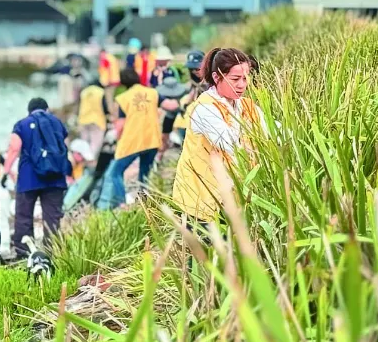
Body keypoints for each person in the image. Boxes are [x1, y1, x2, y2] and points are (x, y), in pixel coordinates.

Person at [172, 48, 265, 225]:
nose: (242, 85)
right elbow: (231, 145)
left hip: (230, 199)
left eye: (245, 78)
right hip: (201, 201)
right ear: (216, 78)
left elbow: (273, 133)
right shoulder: (204, 109)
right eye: (235, 79)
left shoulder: (246, 105)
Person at [4, 98, 71, 257]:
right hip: (55, 177)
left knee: (24, 216)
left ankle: (24, 252)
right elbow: (63, 146)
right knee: (52, 217)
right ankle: (52, 251)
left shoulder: (22, 124)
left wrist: (6, 170)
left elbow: (14, 148)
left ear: (29, 111)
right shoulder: (57, 123)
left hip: (29, 177)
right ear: (46, 109)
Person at [97, 68, 161, 210]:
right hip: (152, 140)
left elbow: (120, 126)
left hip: (133, 141)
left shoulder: (123, 98)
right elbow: (166, 107)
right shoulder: (153, 93)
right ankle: (145, 203)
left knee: (115, 173)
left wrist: (117, 141)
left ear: (123, 82)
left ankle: (122, 203)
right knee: (144, 174)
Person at [76, 79, 108, 157]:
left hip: (83, 119)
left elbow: (79, 105)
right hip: (97, 120)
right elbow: (105, 107)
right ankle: (91, 161)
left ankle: (83, 161)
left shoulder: (84, 92)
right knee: (95, 143)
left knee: (84, 143)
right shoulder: (101, 92)